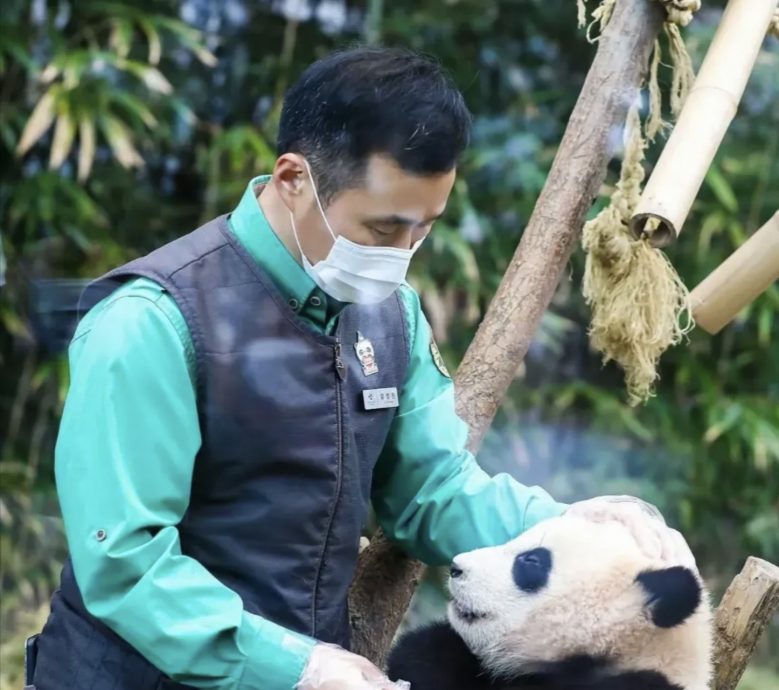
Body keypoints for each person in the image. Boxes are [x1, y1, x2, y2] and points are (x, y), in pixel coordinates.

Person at [29, 47, 694, 690]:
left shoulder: (388, 313)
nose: (403, 254)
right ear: (293, 181)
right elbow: (124, 562)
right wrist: (298, 668)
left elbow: (431, 488)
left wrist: (578, 532)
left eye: (425, 227)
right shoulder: (150, 323)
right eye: (384, 229)